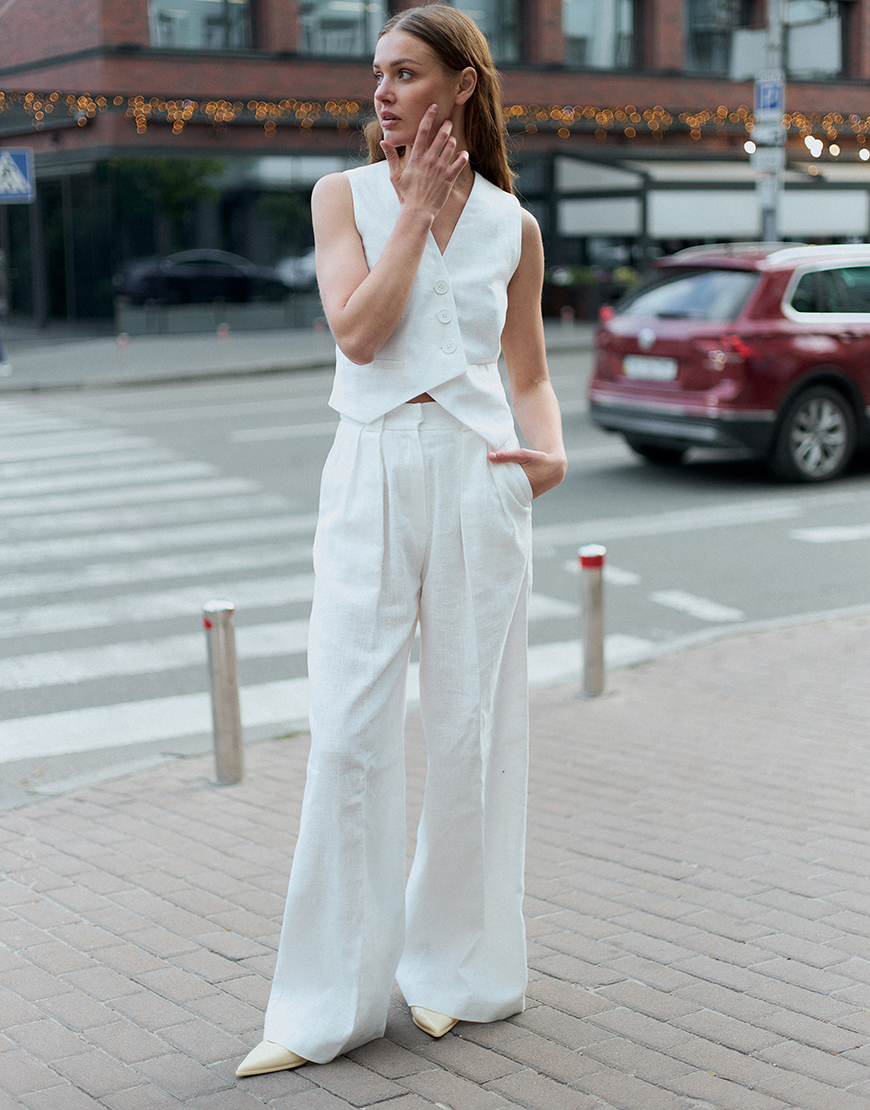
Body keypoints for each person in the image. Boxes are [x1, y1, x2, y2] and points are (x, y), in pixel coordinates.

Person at [236, 2, 566, 1077]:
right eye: (376, 74)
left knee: (472, 733)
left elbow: (528, 372)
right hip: (372, 465)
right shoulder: (345, 197)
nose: (380, 92)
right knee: (348, 732)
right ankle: (323, 1005)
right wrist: (415, 214)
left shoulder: (515, 225)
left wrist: (551, 450)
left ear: (462, 85)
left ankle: (456, 973)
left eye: (405, 72)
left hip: (479, 475)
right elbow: (360, 335)